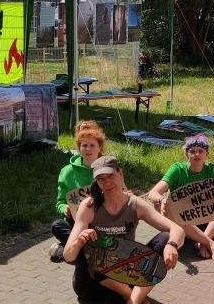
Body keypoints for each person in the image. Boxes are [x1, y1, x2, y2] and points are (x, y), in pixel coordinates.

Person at [64, 156, 185, 304]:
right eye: (101, 179)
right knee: (91, 247)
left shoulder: (135, 204)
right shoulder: (89, 207)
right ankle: (130, 296)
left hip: (126, 273)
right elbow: (68, 256)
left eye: (110, 176)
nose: (107, 182)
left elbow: (177, 229)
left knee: (166, 237)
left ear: (120, 174)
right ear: (96, 182)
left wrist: (172, 245)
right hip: (96, 283)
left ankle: (132, 299)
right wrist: (79, 241)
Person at [145, 134, 214, 264]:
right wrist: (162, 199)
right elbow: (153, 193)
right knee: (163, 206)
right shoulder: (177, 170)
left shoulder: (211, 170)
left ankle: (202, 242)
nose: (197, 154)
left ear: (206, 154)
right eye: (192, 151)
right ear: (187, 154)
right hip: (182, 220)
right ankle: (211, 244)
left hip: (204, 219)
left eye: (201, 151)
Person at [49, 121, 105, 262]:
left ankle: (71, 248)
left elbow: (120, 192)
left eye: (92, 145)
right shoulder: (67, 172)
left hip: (103, 222)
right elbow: (60, 201)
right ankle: (85, 248)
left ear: (99, 148)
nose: (88, 149)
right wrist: (65, 208)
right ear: (79, 148)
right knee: (56, 225)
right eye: (84, 145)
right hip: (76, 223)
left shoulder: (108, 168)